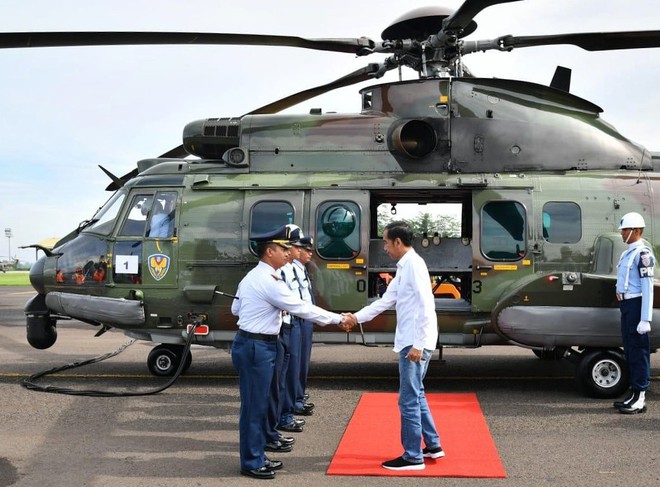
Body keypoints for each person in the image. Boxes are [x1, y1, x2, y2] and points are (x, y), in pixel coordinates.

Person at [230, 225, 355, 480]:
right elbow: (302, 308)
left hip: (258, 343)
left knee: (261, 403)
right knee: (255, 407)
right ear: (269, 252)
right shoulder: (267, 281)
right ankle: (252, 461)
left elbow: (235, 309)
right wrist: (338, 318)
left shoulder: (255, 277)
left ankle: (258, 454)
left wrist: (261, 311)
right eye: (283, 249)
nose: (288, 253)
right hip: (257, 346)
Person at [347, 221, 442, 471]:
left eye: (387, 242)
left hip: (414, 342)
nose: (386, 248)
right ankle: (432, 445)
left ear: (398, 242)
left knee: (408, 399)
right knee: (416, 393)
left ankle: (412, 457)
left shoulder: (413, 266)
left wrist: (419, 345)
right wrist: (356, 317)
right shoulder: (406, 266)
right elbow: (385, 301)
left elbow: (425, 305)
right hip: (414, 339)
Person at [613, 212, 655, 414]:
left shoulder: (643, 254)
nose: (622, 234)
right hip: (627, 306)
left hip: (637, 306)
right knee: (630, 350)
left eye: (625, 230)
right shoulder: (627, 253)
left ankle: (641, 396)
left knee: (639, 352)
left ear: (636, 231)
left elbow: (648, 288)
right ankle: (634, 393)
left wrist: (645, 318)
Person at [293, 236, 316, 416]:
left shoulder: (301, 269)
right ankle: (295, 400)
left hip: (305, 319)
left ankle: (298, 396)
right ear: (297, 250)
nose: (310, 253)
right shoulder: (290, 269)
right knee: (295, 364)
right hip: (296, 320)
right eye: (306, 250)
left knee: (302, 362)